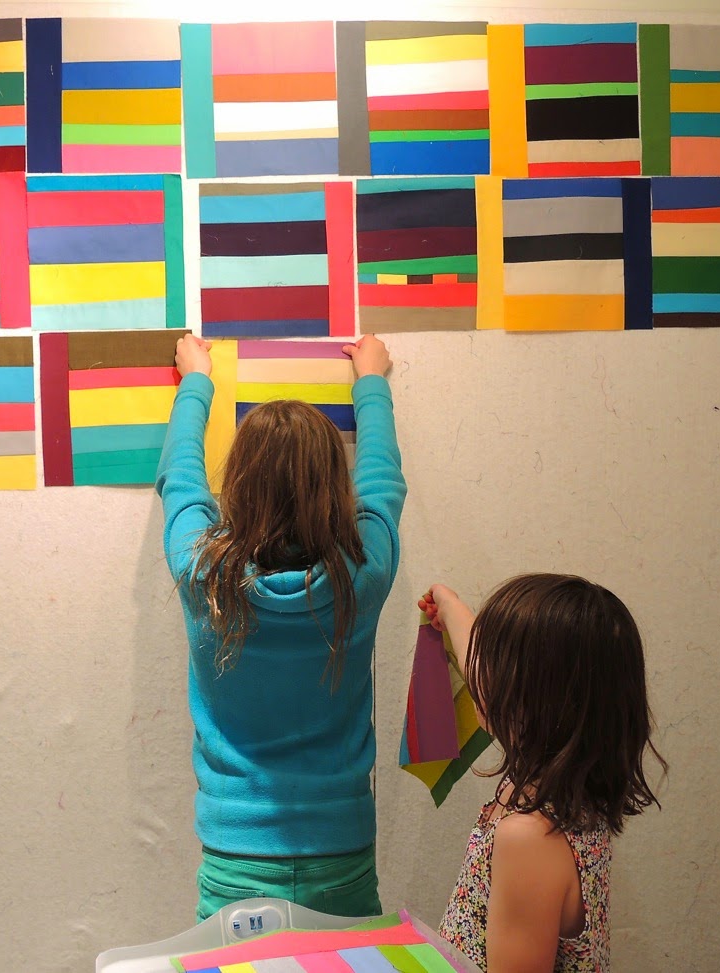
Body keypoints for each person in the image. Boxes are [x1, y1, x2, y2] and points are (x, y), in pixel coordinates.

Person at [156, 333, 406, 921]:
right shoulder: (362, 573)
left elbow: (181, 480)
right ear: (335, 488)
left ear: (239, 485)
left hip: (235, 862)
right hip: (342, 856)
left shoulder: (203, 573)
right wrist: (371, 382)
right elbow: (382, 482)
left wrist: (197, 382)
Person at [420, 575, 666, 973]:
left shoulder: (531, 837)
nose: (477, 673)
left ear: (533, 700)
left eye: (494, 664)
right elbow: (478, 666)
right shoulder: (565, 780)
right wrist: (449, 605)